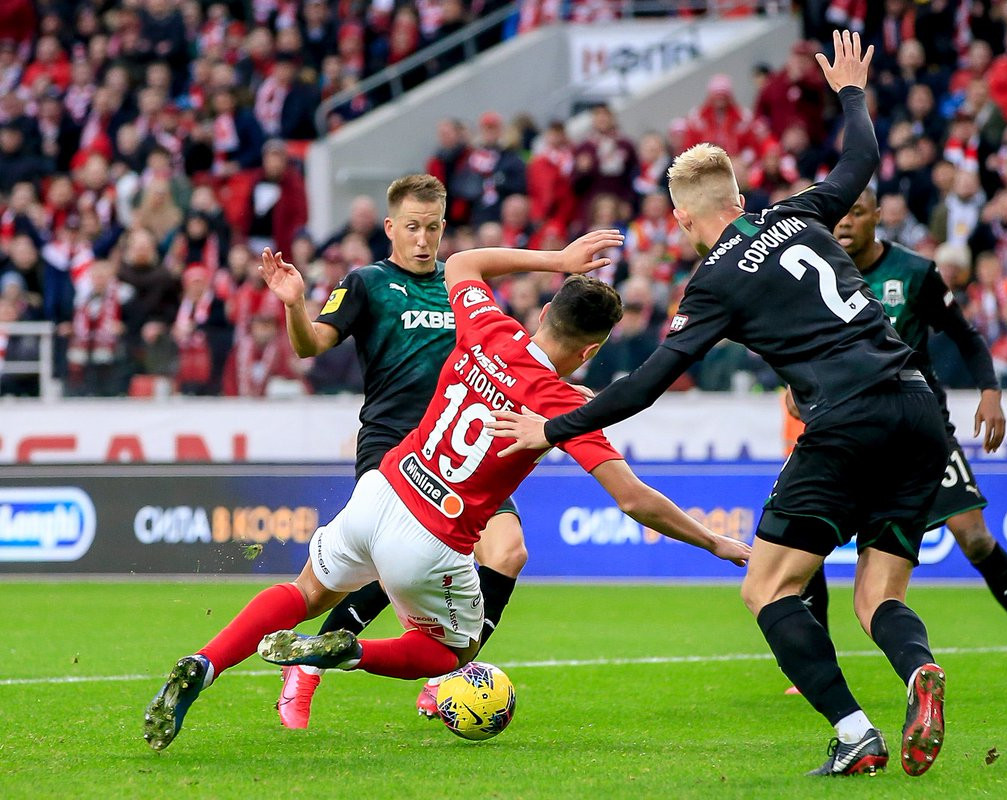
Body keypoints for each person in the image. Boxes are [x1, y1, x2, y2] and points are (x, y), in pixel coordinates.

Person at [491, 32, 949, 778]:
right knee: (877, 597)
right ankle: (917, 670)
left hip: (847, 417)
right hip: (919, 406)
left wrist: (553, 426)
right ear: (739, 198)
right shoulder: (799, 213)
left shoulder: (713, 282)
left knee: (767, 587)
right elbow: (861, 163)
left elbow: (644, 382)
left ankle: (855, 733)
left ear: (682, 221)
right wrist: (852, 92)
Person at [142, 232, 751, 752]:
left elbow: (461, 264)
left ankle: (207, 661)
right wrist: (713, 542)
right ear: (591, 351)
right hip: (433, 537)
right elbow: (634, 500)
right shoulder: (565, 403)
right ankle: (345, 653)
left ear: (543, 315)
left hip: (381, 489)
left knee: (305, 590)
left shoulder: (491, 329)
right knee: (449, 656)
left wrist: (558, 260)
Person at [798, 188, 1007, 696]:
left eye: (857, 213)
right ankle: (815, 666)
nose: (844, 223)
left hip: (922, 432)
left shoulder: (914, 273)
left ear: (878, 218)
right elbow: (804, 346)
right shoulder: (818, 274)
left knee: (975, 538)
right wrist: (795, 385)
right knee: (806, 540)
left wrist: (991, 392)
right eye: (838, 215)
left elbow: (966, 334)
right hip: (855, 433)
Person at [260, 175, 530, 728]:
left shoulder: (461, 288)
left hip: (458, 449)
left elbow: (499, 358)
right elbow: (310, 344)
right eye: (412, 227)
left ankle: (448, 672)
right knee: (387, 570)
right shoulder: (367, 283)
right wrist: (293, 306)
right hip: (391, 450)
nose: (424, 239)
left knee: (508, 553)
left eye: (433, 228)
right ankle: (309, 665)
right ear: (390, 228)